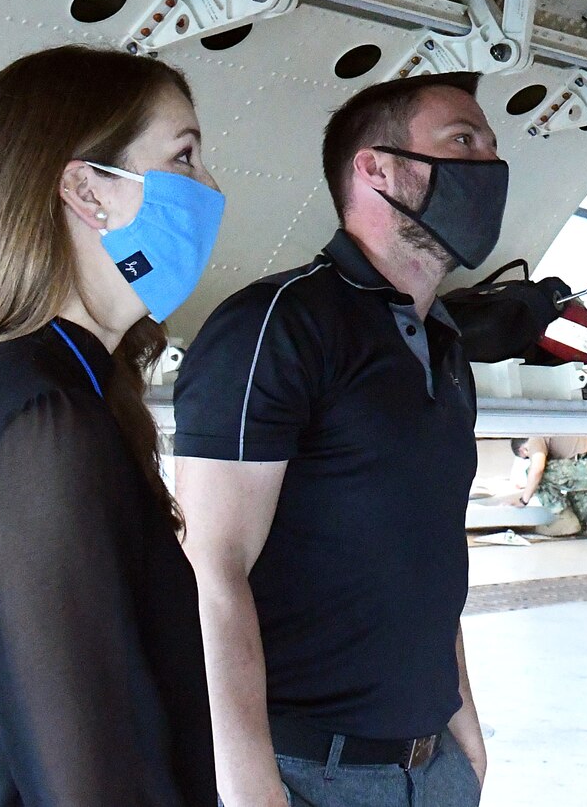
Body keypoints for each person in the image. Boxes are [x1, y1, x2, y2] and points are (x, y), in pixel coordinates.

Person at [0, 46, 225, 805]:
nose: (211, 188)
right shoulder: (43, 420)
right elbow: (89, 779)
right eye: (184, 157)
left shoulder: (43, 391)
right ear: (87, 192)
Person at [173, 72, 500, 807]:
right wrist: (253, 790)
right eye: (461, 142)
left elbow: (427, 550)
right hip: (308, 775)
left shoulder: (442, 345)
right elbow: (209, 567)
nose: (489, 166)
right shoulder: (276, 325)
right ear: (376, 169)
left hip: (435, 770)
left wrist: (465, 731)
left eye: (489, 145)